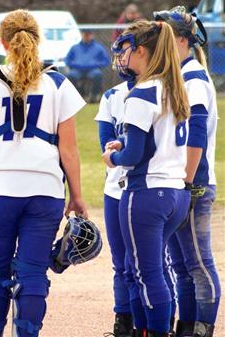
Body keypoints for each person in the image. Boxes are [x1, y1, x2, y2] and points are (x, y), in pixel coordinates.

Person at [0, 9, 88, 337]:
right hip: (44, 190)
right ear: (38, 40)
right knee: (32, 273)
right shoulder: (58, 83)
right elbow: (68, 150)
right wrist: (77, 196)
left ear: (2, 42)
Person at [102, 20, 191, 336]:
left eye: (127, 50)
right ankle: (148, 329)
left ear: (141, 51)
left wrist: (113, 156)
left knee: (144, 273)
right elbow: (155, 141)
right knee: (142, 270)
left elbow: (134, 157)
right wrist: (124, 144)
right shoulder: (173, 86)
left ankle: (154, 330)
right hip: (176, 192)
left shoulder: (142, 91)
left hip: (146, 193)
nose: (123, 58)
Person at [154, 6, 221, 337]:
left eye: (163, 36)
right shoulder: (178, 75)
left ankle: (203, 328)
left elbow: (196, 132)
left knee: (198, 263)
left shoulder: (193, 77)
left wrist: (187, 180)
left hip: (194, 183)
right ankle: (186, 327)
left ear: (181, 41)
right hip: (180, 181)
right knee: (181, 266)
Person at [95, 73, 136, 337]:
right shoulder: (112, 95)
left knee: (149, 263)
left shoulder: (161, 90)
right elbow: (105, 148)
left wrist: (121, 151)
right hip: (115, 189)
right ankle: (123, 323)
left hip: (147, 189)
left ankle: (158, 323)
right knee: (120, 263)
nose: (121, 59)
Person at [65, 28, 110, 102]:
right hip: (77, 70)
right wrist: (74, 64)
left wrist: (96, 65)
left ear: (92, 35)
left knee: (97, 74)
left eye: (88, 34)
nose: (86, 36)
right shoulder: (75, 48)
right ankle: (76, 96)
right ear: (82, 35)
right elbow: (67, 60)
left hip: (92, 70)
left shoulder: (98, 48)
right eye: (85, 34)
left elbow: (106, 61)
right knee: (71, 75)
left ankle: (94, 96)